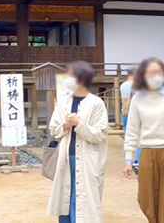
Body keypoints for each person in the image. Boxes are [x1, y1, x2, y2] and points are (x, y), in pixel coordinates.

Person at [47, 61, 108, 223]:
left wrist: (79, 124)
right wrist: (66, 125)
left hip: (87, 159)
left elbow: (99, 134)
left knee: (81, 202)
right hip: (66, 157)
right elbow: (53, 129)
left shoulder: (96, 103)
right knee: (65, 199)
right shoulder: (63, 102)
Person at [123, 57, 164, 223]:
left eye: (158, 72)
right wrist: (128, 159)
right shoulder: (137, 99)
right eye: (150, 72)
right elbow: (132, 131)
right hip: (147, 152)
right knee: (147, 198)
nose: (154, 76)